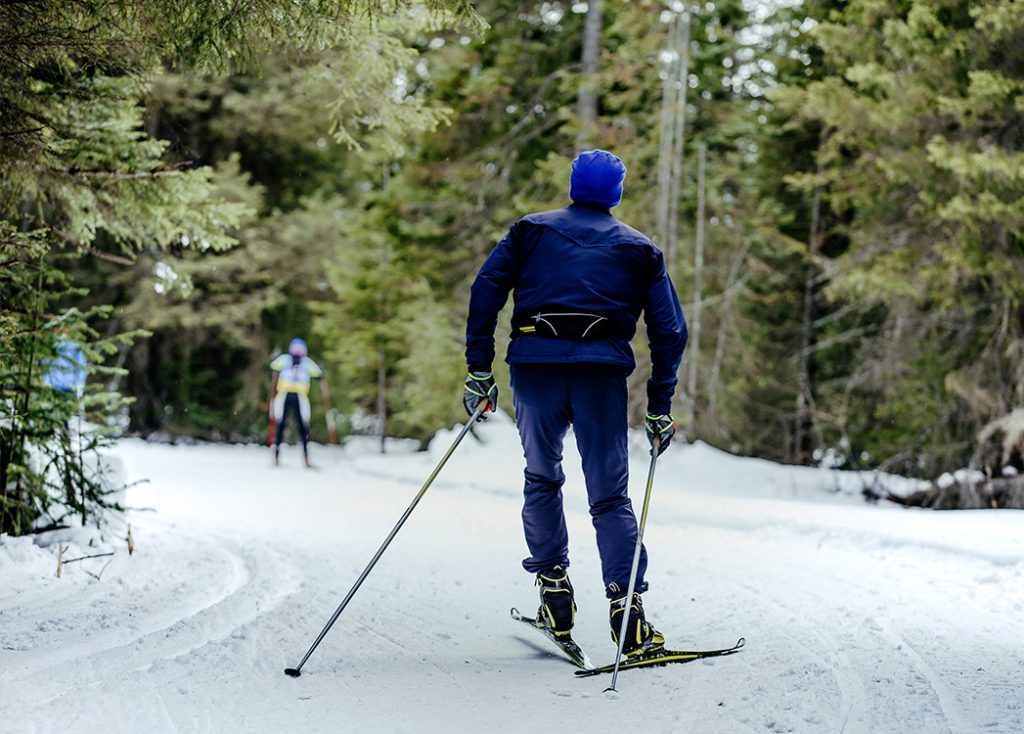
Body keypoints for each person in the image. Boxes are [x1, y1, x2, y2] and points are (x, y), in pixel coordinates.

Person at [463, 149, 687, 657]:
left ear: (572, 185)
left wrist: (480, 369)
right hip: (599, 377)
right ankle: (627, 614)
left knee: (542, 476)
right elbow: (669, 330)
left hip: (535, 371)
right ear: (617, 192)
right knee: (609, 496)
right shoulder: (640, 249)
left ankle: (554, 593)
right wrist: (660, 404)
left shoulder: (530, 230)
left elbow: (487, 288)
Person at [269, 338, 327, 467]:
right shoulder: (284, 359)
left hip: (300, 397)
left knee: (303, 427)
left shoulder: (307, 363)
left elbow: (318, 373)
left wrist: (322, 371)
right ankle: (276, 455)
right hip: (284, 395)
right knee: (281, 425)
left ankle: (306, 457)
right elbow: (273, 365)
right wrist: (274, 357)